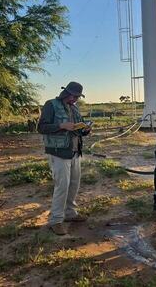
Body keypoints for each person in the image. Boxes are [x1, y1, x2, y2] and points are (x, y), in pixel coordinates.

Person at [38, 82, 91, 235]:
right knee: (62, 186)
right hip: (58, 152)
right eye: (74, 96)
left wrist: (85, 130)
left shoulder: (75, 108)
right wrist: (61, 125)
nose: (75, 99)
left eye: (78, 97)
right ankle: (56, 220)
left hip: (74, 151)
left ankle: (70, 213)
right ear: (66, 93)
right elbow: (41, 128)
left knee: (74, 184)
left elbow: (78, 130)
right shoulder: (51, 105)